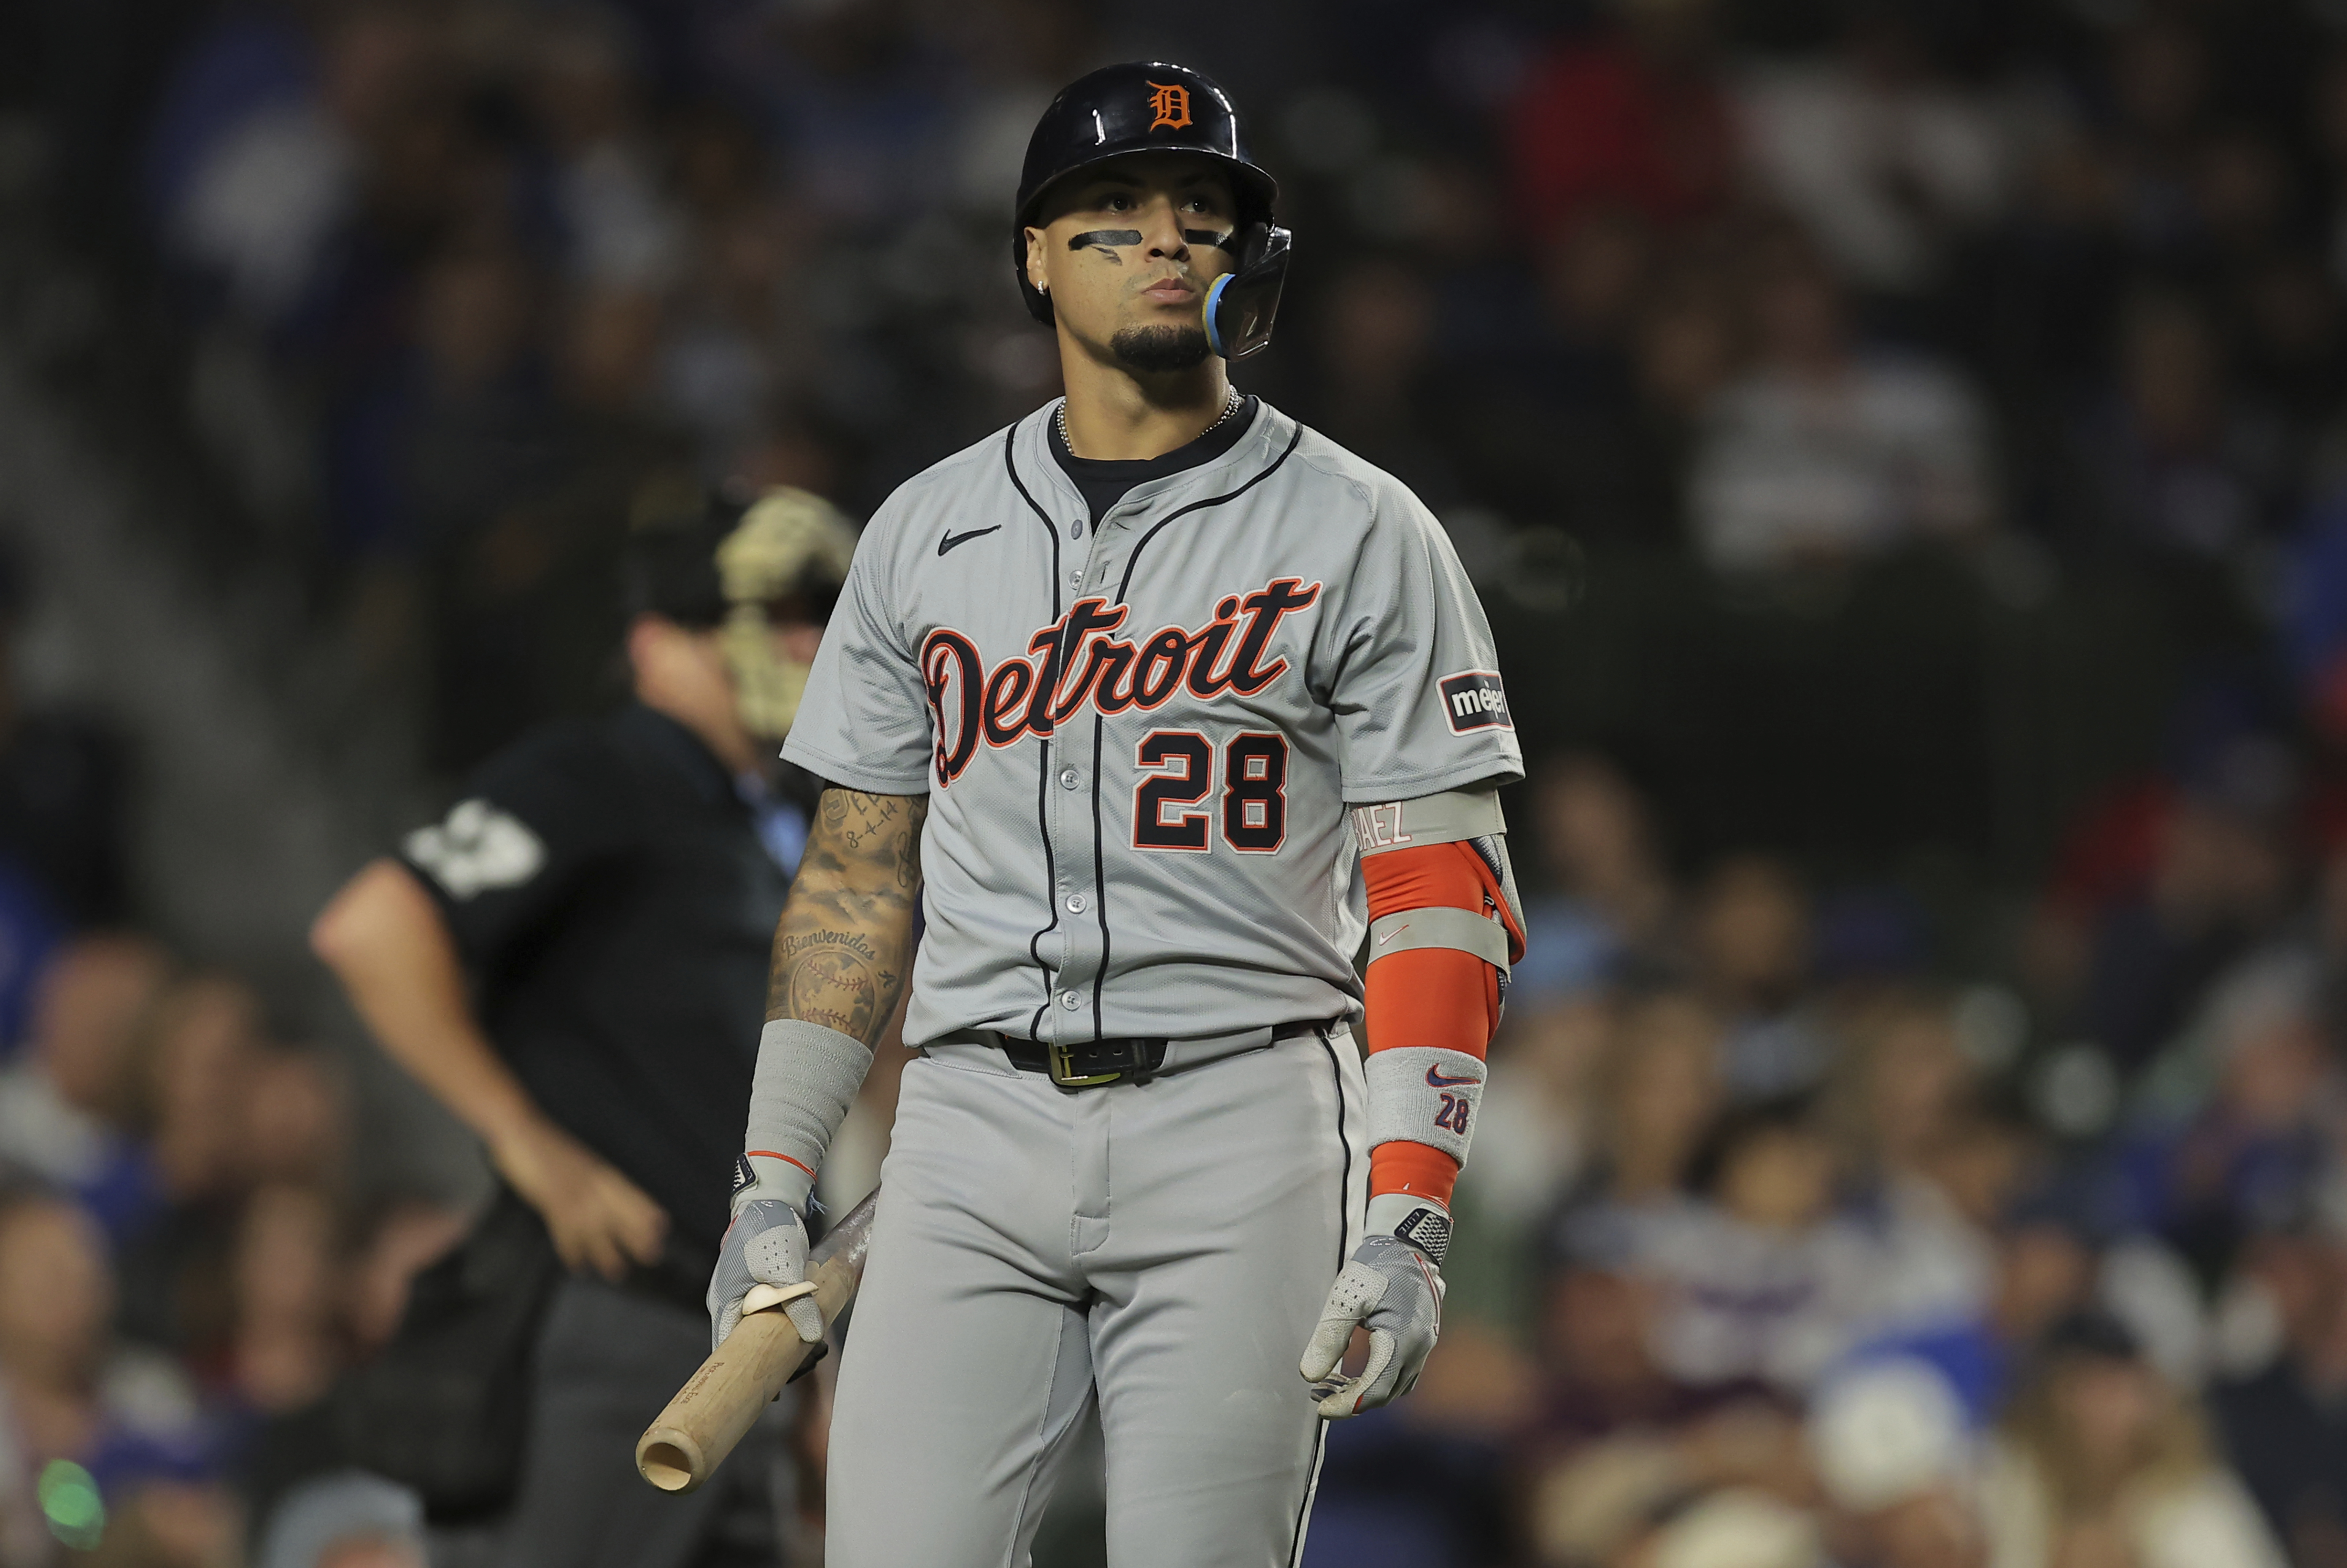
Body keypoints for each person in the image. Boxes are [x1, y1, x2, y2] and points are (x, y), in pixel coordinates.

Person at [705, 62, 1526, 1567]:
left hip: (1245, 1110)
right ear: (1032, 254)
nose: (1163, 238)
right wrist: (773, 1172)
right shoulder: (922, 531)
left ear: (1242, 259)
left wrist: (1406, 1209)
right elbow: (854, 875)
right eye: (1110, 211)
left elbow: (1441, 891)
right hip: (966, 1122)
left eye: (1198, 211)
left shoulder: (1361, 526)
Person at [308, 485, 855, 1568]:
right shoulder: (611, 768)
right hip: (618, 1330)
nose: (803, 640)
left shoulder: (765, 818)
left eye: (815, 614)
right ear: (658, 640)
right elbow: (371, 926)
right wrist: (528, 1140)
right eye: (768, 613)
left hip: (736, 1352)